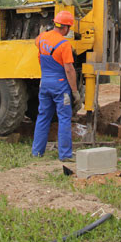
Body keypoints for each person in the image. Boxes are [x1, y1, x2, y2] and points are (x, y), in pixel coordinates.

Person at [32, 10, 82, 161]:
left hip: (45, 83)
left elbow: (39, 51)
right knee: (64, 118)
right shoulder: (64, 44)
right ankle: (65, 155)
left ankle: (37, 152)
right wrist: (75, 91)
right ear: (65, 27)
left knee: (43, 117)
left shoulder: (41, 38)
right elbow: (69, 69)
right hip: (60, 86)